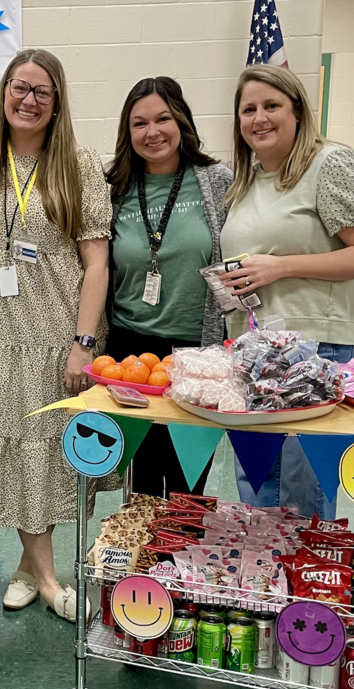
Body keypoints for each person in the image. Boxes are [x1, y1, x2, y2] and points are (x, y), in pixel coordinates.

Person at [0, 49, 112, 622]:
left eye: (42, 92)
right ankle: (39, 572)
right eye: (19, 88)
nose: (28, 100)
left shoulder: (79, 164)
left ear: (57, 102)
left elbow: (96, 264)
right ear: (3, 93)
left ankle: (38, 574)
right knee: (13, 447)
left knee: (42, 451)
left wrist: (83, 342)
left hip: (53, 333)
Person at [220, 65, 354, 519]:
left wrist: (280, 267)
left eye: (271, 106)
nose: (259, 118)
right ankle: (262, 582)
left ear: (297, 111)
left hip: (314, 351)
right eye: (248, 109)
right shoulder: (246, 180)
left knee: (301, 489)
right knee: (256, 484)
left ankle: (305, 586)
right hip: (253, 352)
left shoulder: (330, 164)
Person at [105, 76, 233, 498]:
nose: (152, 131)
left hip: (197, 350)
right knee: (140, 477)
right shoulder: (113, 188)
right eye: (139, 123)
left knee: (187, 479)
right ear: (128, 132)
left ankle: (186, 560)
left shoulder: (217, 181)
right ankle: (144, 561)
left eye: (163, 118)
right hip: (129, 349)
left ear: (181, 121)